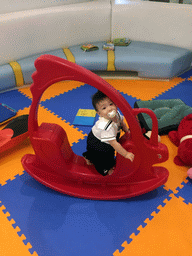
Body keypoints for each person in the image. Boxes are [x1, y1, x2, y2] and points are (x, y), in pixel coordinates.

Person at [83, 90, 135, 176]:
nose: (110, 108)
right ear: (99, 113)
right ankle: (105, 169)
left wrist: (127, 131)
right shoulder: (106, 126)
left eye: (111, 104)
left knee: (97, 152)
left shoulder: (117, 114)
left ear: (115, 104)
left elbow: (122, 123)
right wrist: (125, 154)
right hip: (98, 142)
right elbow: (114, 144)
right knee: (104, 156)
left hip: (106, 136)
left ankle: (88, 156)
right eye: (104, 108)